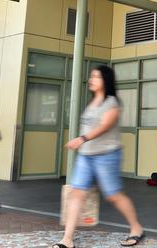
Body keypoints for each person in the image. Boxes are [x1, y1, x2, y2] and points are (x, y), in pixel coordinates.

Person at [54, 65, 144, 248]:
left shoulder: (112, 102)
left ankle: (136, 228)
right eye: (92, 76)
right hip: (86, 156)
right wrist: (82, 143)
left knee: (113, 195)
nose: (92, 79)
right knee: (77, 193)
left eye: (96, 76)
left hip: (107, 155)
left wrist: (82, 139)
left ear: (106, 80)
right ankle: (67, 239)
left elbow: (105, 126)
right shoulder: (92, 102)